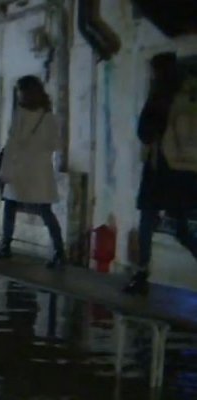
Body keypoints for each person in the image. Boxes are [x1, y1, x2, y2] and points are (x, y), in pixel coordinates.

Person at [124, 52, 197, 295]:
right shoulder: (191, 95)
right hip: (187, 170)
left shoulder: (161, 96)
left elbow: (145, 132)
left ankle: (141, 273)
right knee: (180, 226)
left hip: (161, 168)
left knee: (147, 219)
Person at [0, 75, 65, 269]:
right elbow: (56, 145)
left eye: (21, 93)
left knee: (10, 206)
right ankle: (59, 252)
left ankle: (5, 246)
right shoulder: (50, 117)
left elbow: (12, 145)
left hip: (21, 169)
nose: (20, 97)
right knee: (45, 211)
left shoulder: (20, 115)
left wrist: (4, 173)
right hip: (40, 171)